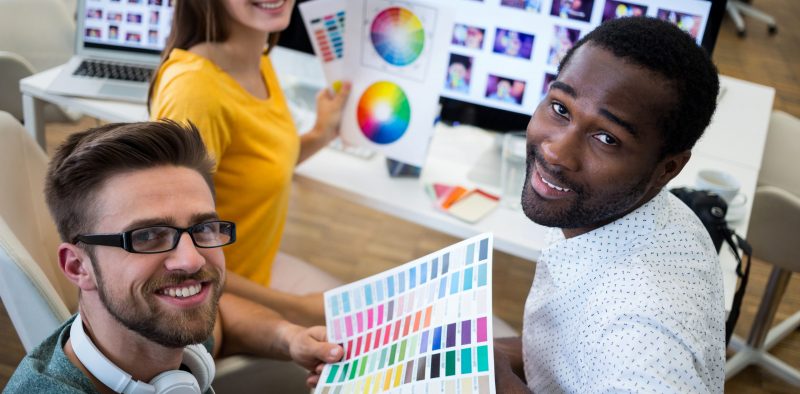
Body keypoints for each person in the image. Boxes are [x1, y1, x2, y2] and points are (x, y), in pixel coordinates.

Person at [5, 121, 343, 393]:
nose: (191, 260)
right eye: (148, 236)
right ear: (78, 266)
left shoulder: (155, 325)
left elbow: (223, 319)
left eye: (203, 228)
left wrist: (289, 338)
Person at [493, 17, 724, 393]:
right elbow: (569, 350)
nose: (556, 151)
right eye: (560, 108)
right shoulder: (650, 215)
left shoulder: (643, 332)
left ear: (668, 168)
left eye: (606, 138)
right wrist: (497, 359)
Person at [148, 0, 351, 327]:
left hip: (254, 272)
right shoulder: (195, 92)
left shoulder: (258, 59)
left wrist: (320, 134)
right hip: (208, 295)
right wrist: (295, 308)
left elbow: (256, 167)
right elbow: (174, 255)